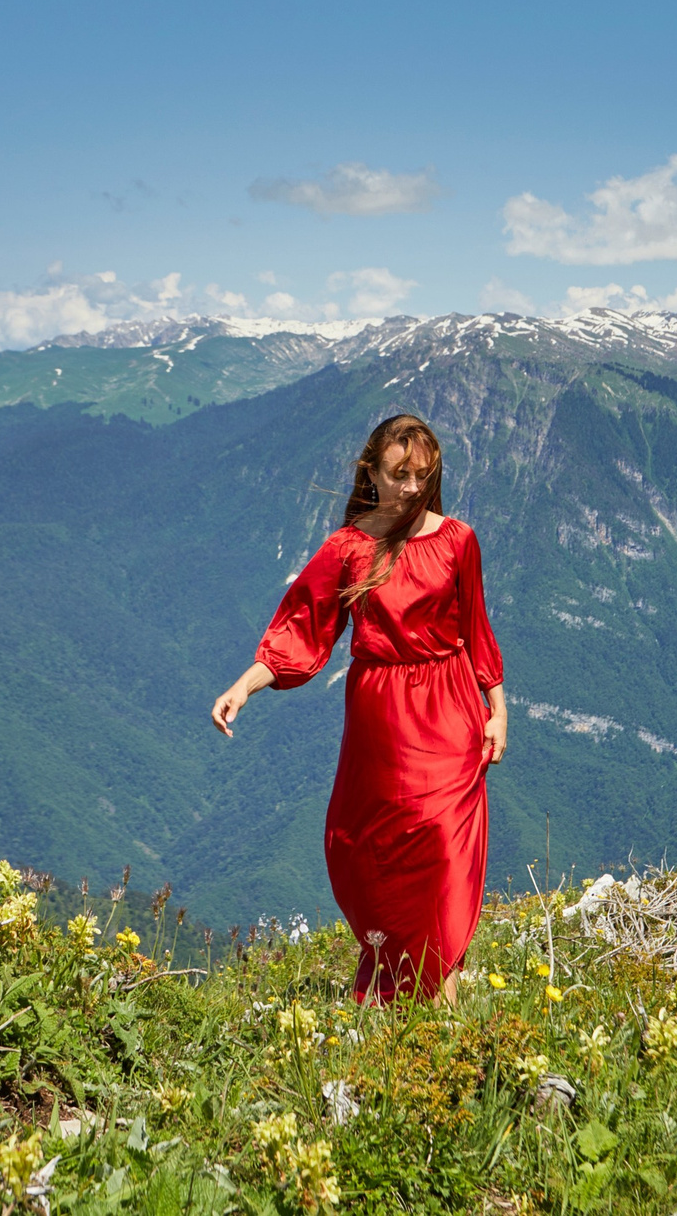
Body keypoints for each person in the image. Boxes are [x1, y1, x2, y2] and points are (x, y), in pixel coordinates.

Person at [211, 413, 510, 1002]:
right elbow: (302, 629)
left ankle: (440, 1012)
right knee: (381, 856)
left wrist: (497, 709)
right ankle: (416, 1007)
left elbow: (477, 631)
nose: (411, 487)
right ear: (371, 472)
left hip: (451, 712)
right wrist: (243, 687)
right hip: (382, 723)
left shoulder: (458, 541)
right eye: (399, 474)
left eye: (422, 475)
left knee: (443, 849)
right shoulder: (348, 548)